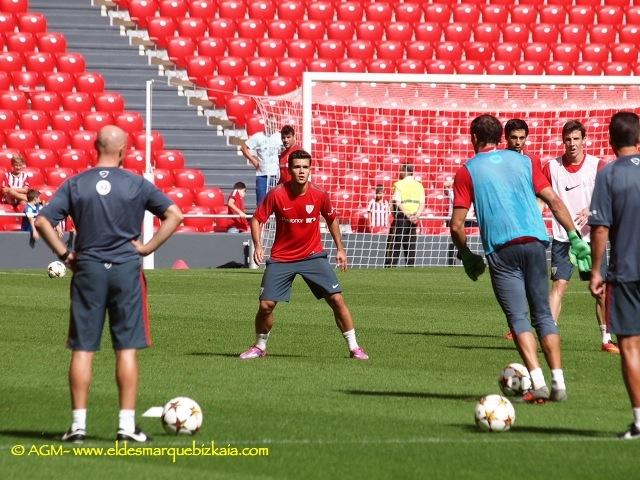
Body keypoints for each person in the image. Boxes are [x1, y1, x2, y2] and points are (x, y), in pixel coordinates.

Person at [35, 125, 183, 443]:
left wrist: (64, 253)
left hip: (87, 267)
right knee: (125, 348)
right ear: (125, 149)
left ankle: (77, 426)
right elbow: (174, 214)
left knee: (83, 349)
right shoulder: (136, 183)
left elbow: (43, 220)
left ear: (93, 146)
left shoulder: (77, 184)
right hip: (126, 270)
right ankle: (126, 426)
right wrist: (146, 248)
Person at [450, 114, 591, 404]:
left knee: (518, 316)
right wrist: (575, 237)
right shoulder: (526, 161)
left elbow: (456, 225)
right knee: (543, 313)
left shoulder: (467, 171)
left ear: (473, 138)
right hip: (536, 243)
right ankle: (559, 382)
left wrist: (466, 256)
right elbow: (553, 200)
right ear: (502, 138)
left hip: (502, 250)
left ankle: (537, 382)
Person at [239, 149, 369, 361]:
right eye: (297, 167)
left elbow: (331, 218)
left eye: (305, 167)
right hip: (282, 258)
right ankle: (260, 346)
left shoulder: (319, 195)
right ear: (289, 170)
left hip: (313, 256)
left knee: (336, 299)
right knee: (265, 306)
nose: (301, 171)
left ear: (310, 169)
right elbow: (257, 219)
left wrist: (340, 249)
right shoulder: (277, 194)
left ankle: (354, 347)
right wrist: (259, 244)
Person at [544, 120, 618, 354]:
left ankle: (606, 338)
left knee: (600, 290)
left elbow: (612, 198)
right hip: (563, 238)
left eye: (576, 139)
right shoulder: (552, 167)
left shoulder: (598, 166)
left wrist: (592, 210)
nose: (572, 143)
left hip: (591, 238)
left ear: (584, 140)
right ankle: (549, 334)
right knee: (559, 285)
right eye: (568, 139)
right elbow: (540, 195)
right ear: (562, 140)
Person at [589, 111, 640, 439]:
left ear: (610, 140)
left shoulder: (608, 175)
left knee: (631, 347)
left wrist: (596, 271)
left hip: (627, 272)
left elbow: (600, 229)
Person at [384, 163, 425, 267]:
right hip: (414, 219)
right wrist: (416, 216)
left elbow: (396, 202)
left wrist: (406, 215)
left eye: (401, 170)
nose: (400, 173)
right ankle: (410, 268)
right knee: (410, 245)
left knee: (395, 244)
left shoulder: (399, 184)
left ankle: (391, 267)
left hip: (402, 217)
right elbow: (422, 203)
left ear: (405, 171)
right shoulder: (419, 185)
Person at [240, 129, 281, 206]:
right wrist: (253, 160)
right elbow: (243, 148)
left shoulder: (279, 136)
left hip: (276, 175)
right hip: (262, 175)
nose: (271, 120)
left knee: (276, 203)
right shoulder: (258, 136)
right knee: (261, 204)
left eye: (272, 117)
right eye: (268, 117)